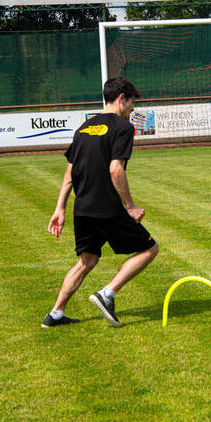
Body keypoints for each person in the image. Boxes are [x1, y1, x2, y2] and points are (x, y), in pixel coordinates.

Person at [42, 77, 159, 328]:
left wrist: (60, 208)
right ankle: (107, 294)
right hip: (106, 206)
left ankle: (55, 314)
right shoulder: (123, 128)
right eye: (131, 104)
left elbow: (70, 171)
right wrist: (130, 207)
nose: (132, 110)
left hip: (82, 207)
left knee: (88, 259)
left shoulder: (83, 128)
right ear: (121, 99)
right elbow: (116, 169)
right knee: (150, 249)